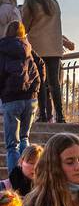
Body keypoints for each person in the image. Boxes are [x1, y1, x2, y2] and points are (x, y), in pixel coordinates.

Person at [20, 0, 74, 125]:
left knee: (41, 83)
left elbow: (23, 27)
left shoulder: (31, 5)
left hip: (38, 48)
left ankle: (42, 115)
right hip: (54, 49)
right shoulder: (53, 3)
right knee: (54, 84)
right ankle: (61, 116)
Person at [0, 22, 45, 174]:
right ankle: (29, 175)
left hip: (11, 98)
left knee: (12, 144)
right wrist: (37, 86)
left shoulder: (3, 48)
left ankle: (15, 179)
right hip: (31, 98)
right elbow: (41, 65)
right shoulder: (28, 48)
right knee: (24, 138)